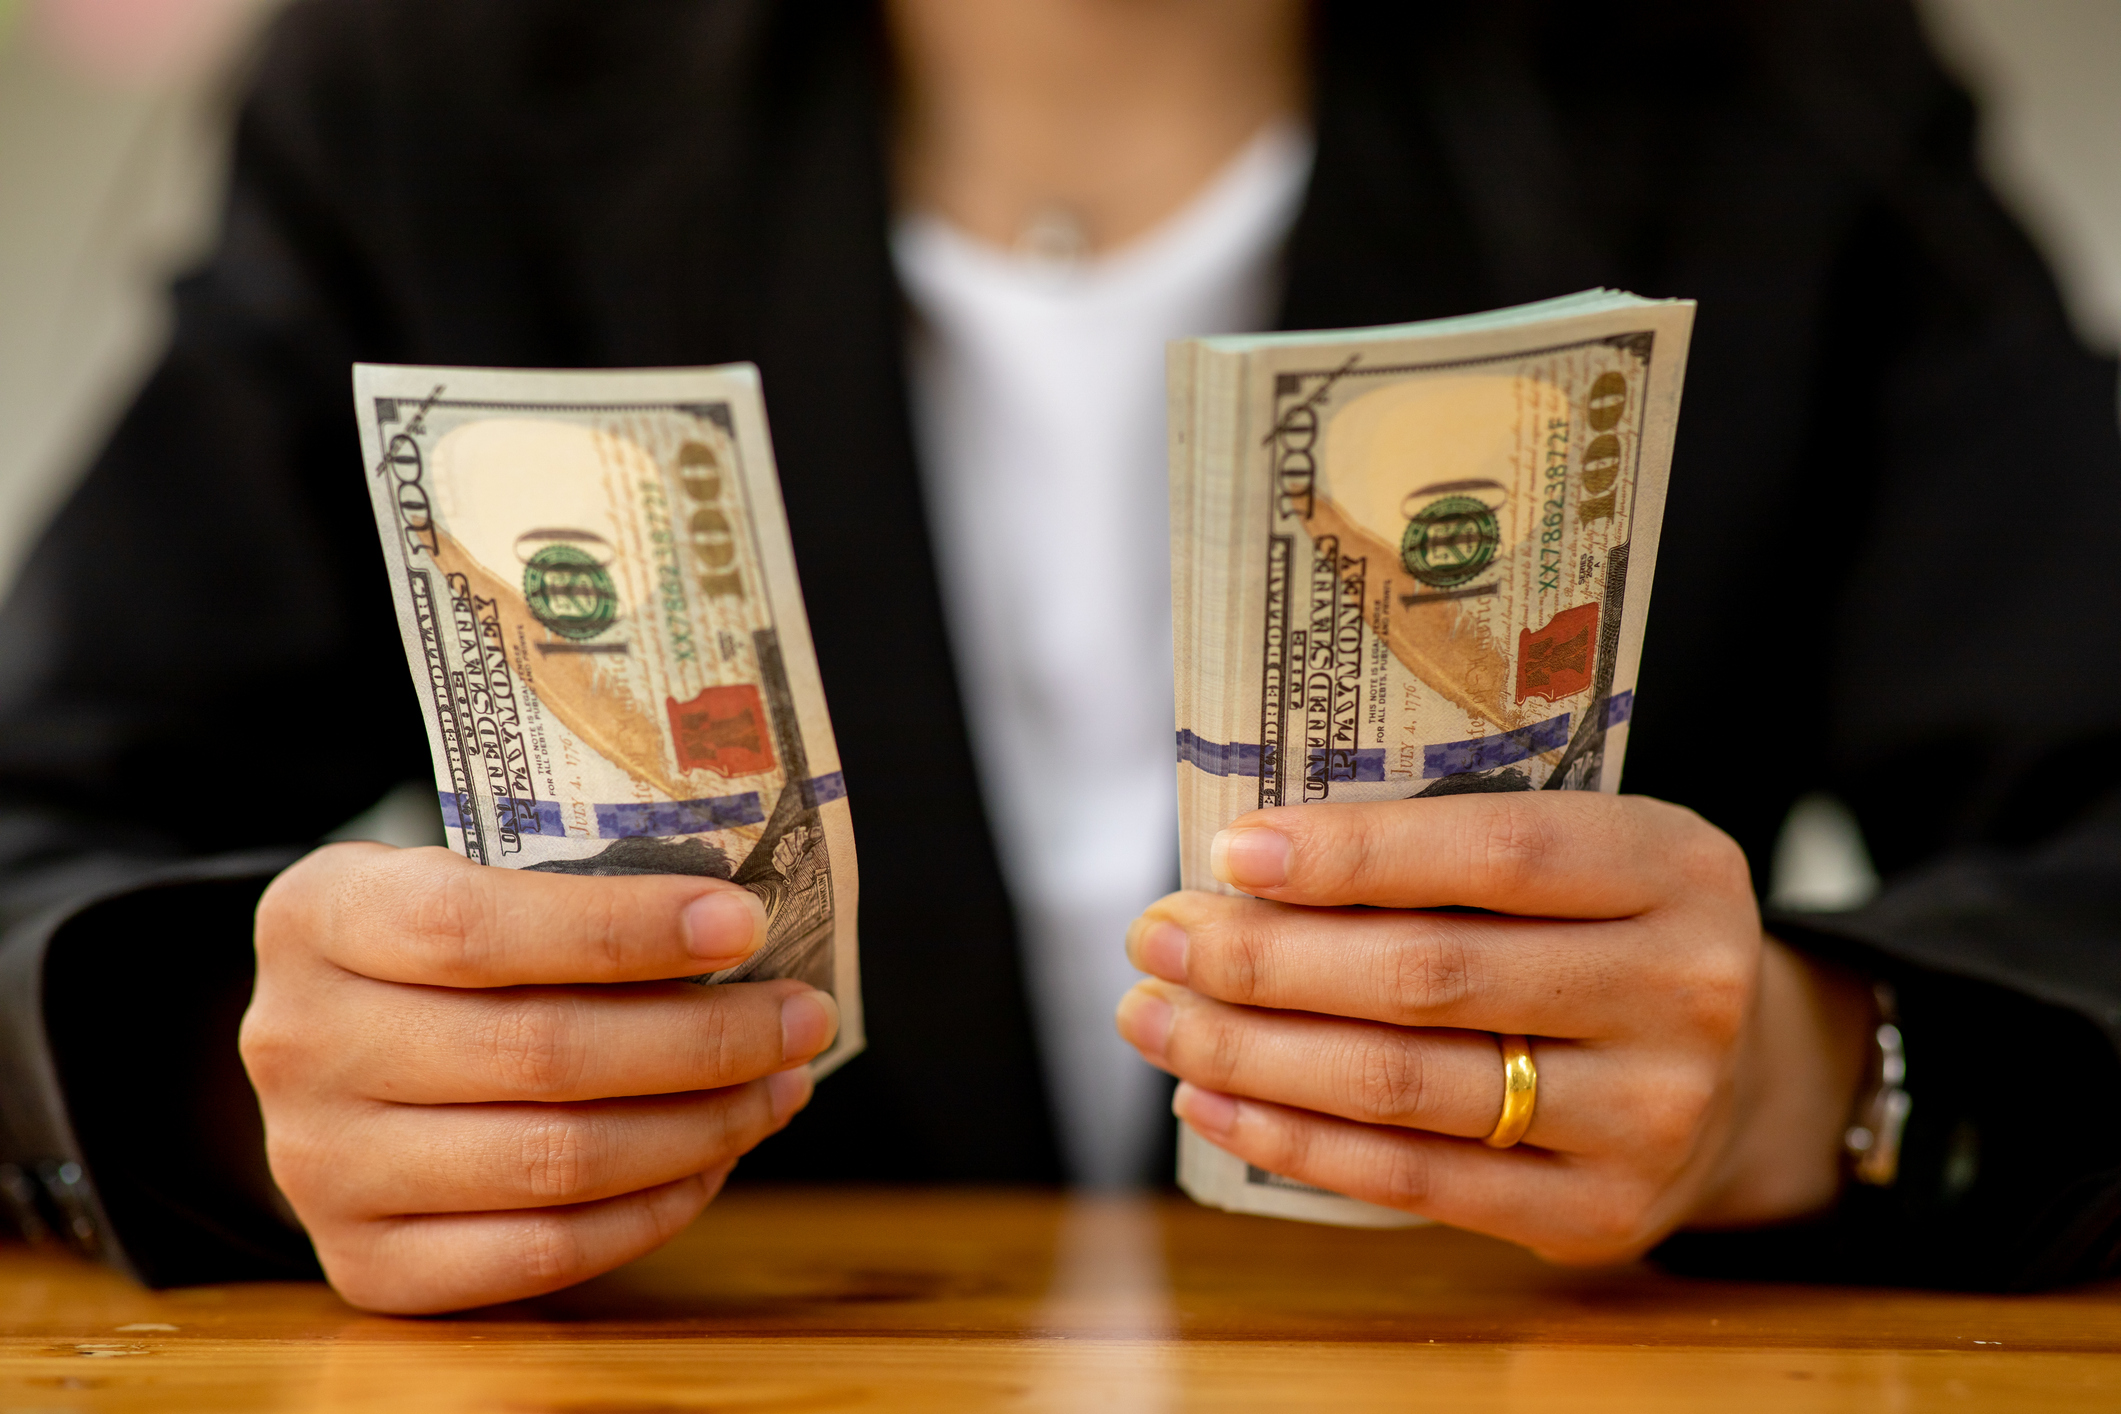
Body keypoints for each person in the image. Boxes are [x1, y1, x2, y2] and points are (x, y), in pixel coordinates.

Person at [3, 0, 2119, 1315]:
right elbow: (37, 827)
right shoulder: (430, 85)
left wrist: (1803, 1078)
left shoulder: (1775, 76)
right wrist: (236, 1076)